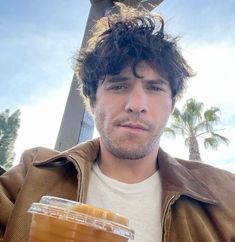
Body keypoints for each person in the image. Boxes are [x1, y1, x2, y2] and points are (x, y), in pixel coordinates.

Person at [1, 4, 235, 242]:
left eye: (154, 88)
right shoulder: (30, 175)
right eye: (119, 85)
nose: (136, 104)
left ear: (171, 106)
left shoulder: (226, 194)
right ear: (92, 102)